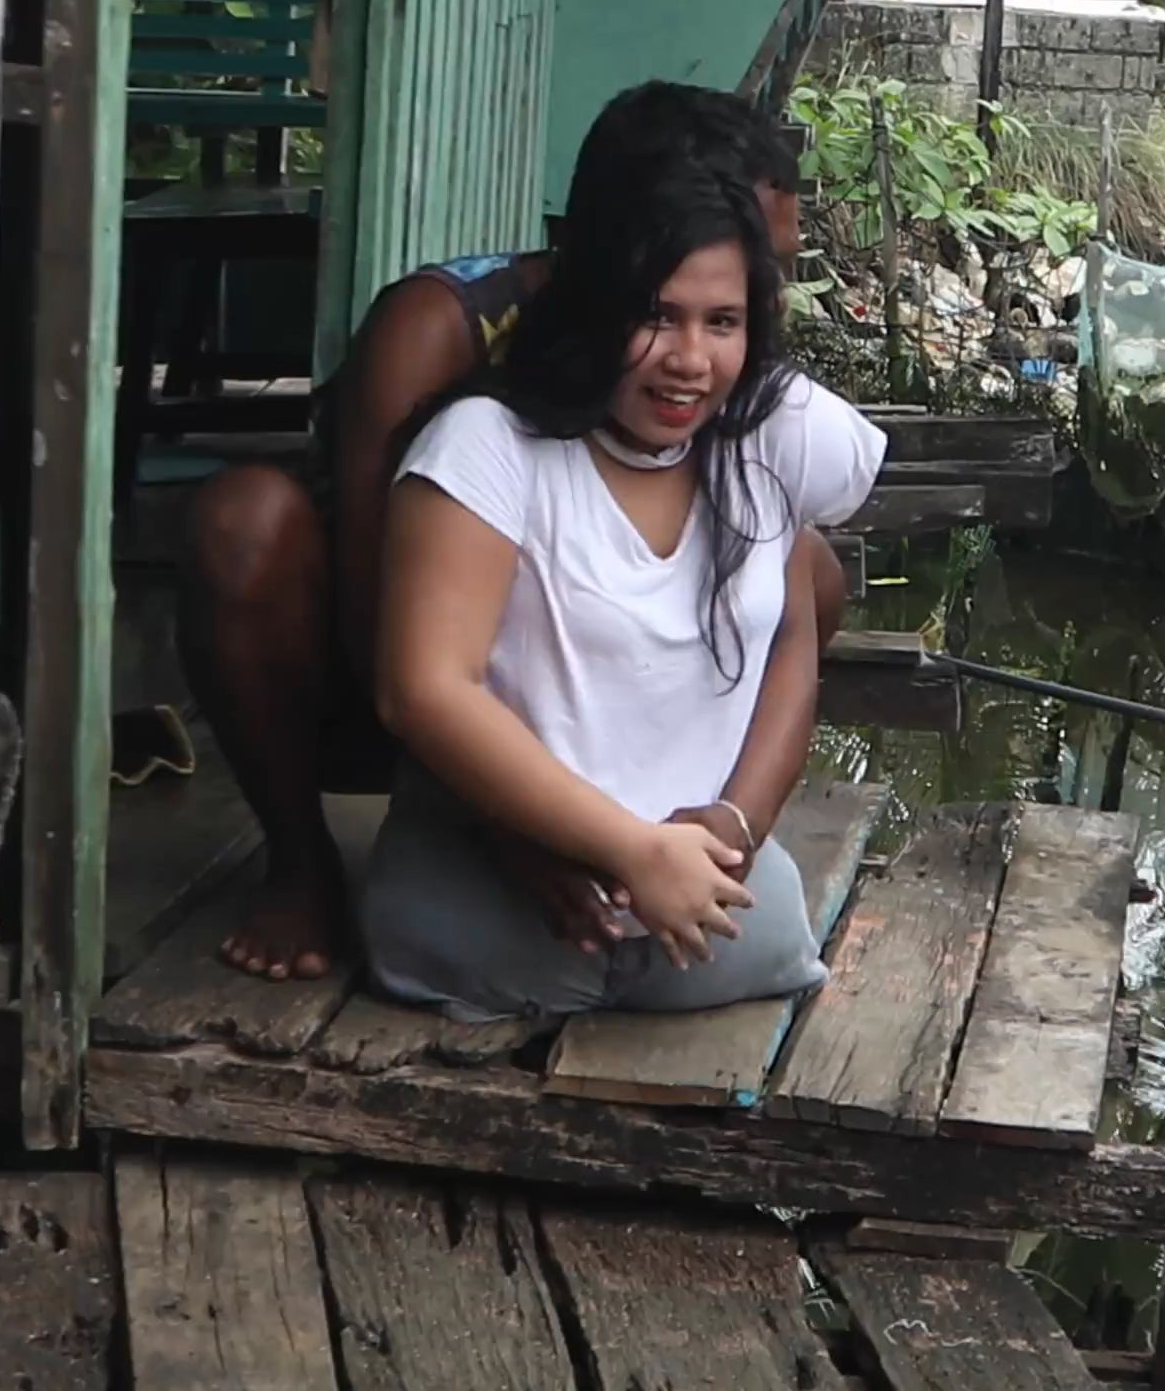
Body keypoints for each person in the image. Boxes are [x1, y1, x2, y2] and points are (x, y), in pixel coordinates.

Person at [182, 84, 853, 980]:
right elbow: (392, 637)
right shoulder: (446, 330)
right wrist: (513, 830)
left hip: (554, 705)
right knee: (243, 526)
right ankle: (303, 865)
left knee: (811, 566)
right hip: (371, 667)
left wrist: (720, 821)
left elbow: (784, 601)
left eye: (737, 301)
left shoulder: (707, 377)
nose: (738, 324)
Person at [362, 146, 883, 1018]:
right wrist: (630, 851)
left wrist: (735, 828)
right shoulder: (487, 447)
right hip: (508, 903)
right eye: (655, 315)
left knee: (759, 932)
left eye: (723, 321)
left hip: (718, 918)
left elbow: (793, 639)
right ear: (591, 307)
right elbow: (422, 690)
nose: (689, 359)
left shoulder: (757, 444)